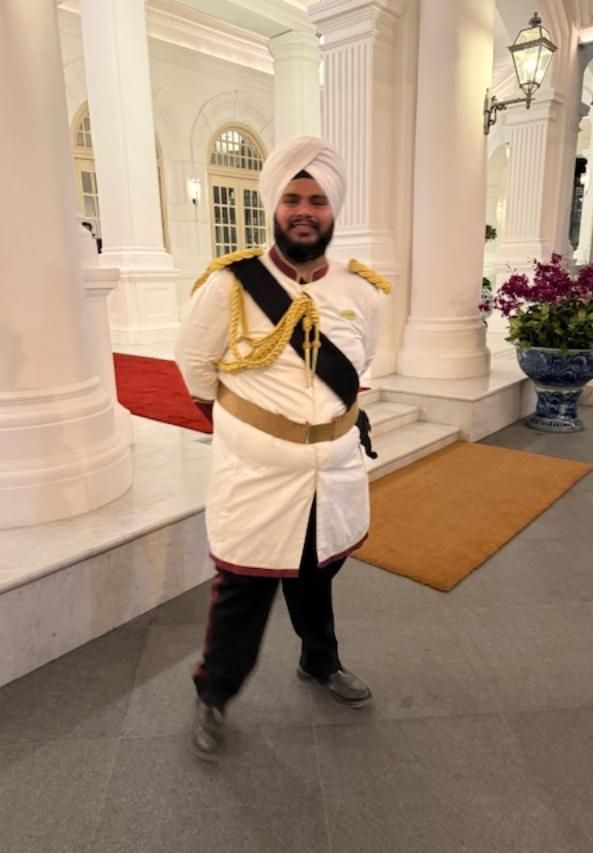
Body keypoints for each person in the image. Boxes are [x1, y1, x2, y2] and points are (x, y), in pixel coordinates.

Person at [175, 135, 390, 761]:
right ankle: (214, 692)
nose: (304, 211)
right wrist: (250, 432)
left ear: (333, 210)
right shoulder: (230, 285)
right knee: (243, 589)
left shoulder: (362, 291)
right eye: (293, 199)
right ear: (274, 206)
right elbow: (194, 368)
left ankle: (320, 663)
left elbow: (360, 365)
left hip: (335, 470)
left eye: (317, 201)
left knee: (317, 574)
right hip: (256, 475)